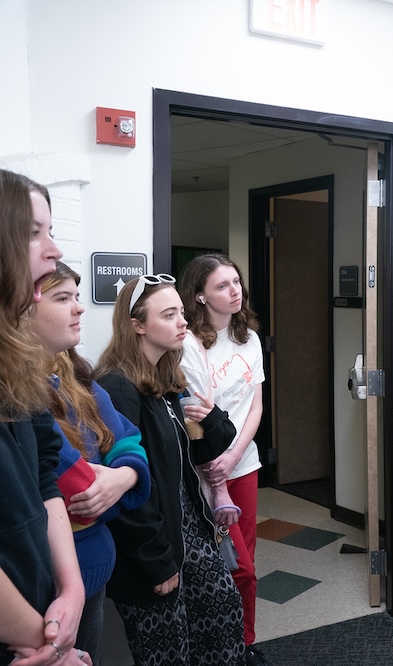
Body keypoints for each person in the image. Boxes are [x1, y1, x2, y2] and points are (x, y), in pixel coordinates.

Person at [94, 273, 246, 665]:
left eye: (181, 312)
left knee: (223, 614)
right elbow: (126, 488)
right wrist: (155, 560)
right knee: (168, 652)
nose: (183, 321)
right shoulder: (118, 387)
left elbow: (197, 451)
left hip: (188, 535)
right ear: (137, 326)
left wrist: (213, 420)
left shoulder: (166, 379)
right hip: (153, 548)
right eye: (169, 315)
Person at [32, 262, 152, 665]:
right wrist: (118, 490)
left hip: (92, 575)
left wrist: (123, 475)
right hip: (42, 587)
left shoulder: (75, 377)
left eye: (77, 297)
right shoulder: (21, 395)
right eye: (63, 298)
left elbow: (128, 438)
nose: (79, 309)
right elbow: (80, 491)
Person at [0, 169, 91, 666]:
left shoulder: (20, 367)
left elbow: (45, 478)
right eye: (33, 233)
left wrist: (71, 591)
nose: (53, 249)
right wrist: (50, 645)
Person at [178, 254, 267, 665]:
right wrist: (219, 463)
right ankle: (223, 646)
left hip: (242, 463)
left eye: (236, 282)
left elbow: (256, 406)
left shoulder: (249, 337)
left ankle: (245, 642)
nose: (235, 291)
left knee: (244, 557)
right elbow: (192, 411)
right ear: (199, 295)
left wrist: (234, 456)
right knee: (234, 567)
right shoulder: (188, 344)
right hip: (206, 471)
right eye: (222, 285)